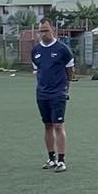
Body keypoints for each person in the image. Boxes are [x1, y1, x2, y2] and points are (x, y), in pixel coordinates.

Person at [30, 15, 74, 171]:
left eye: (46, 30)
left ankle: (62, 160)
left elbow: (70, 71)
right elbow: (37, 71)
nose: (43, 34)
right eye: (41, 31)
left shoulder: (63, 49)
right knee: (47, 125)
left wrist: (65, 87)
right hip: (42, 94)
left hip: (58, 93)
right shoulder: (35, 51)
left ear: (53, 30)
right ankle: (51, 158)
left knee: (58, 125)